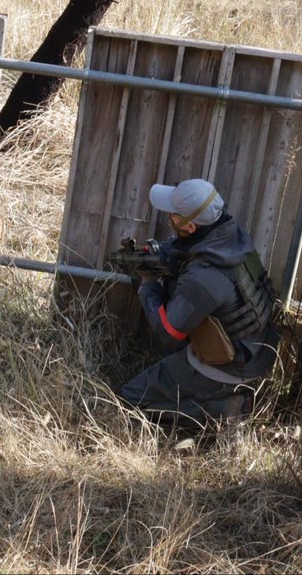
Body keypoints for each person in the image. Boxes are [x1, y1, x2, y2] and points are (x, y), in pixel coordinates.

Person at [119, 178, 281, 430]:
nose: (170, 218)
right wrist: (159, 252)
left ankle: (220, 411)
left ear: (191, 226)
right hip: (257, 349)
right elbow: (186, 248)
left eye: (173, 215)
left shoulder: (203, 278)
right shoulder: (230, 234)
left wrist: (148, 283)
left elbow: (169, 333)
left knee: (128, 400)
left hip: (229, 365)